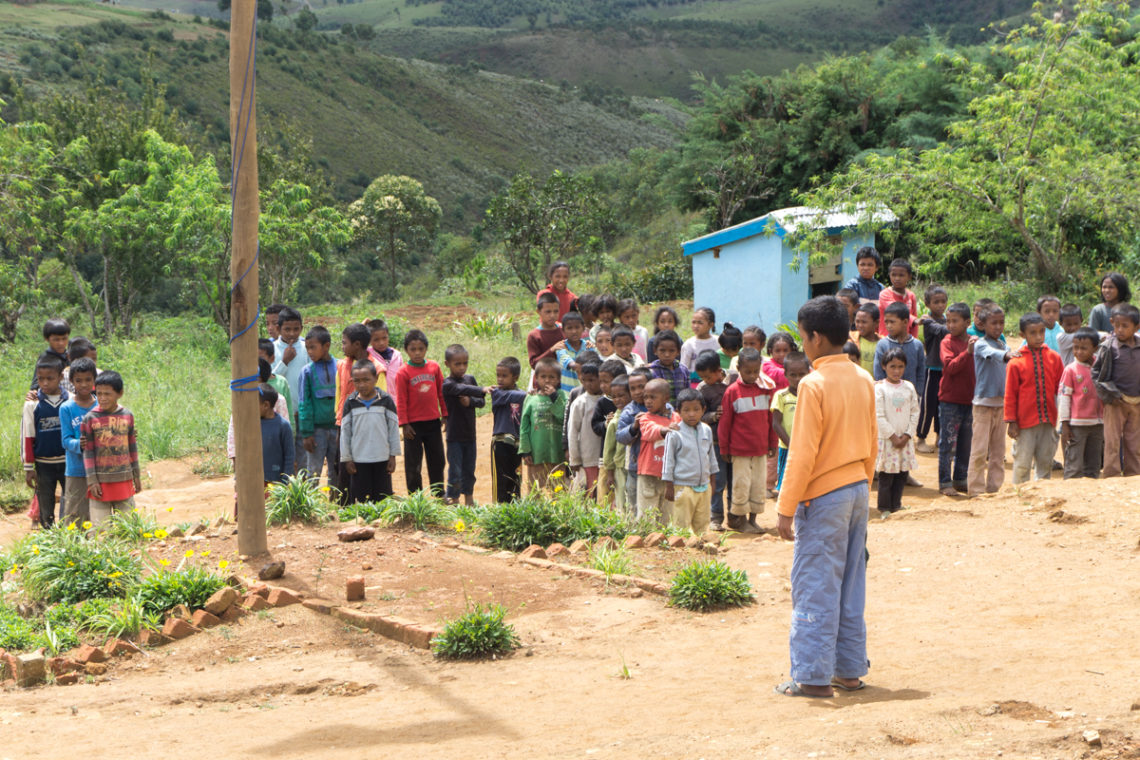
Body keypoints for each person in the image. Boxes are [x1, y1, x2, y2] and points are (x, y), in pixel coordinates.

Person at [774, 296, 875, 700]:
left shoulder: (813, 384)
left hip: (824, 496)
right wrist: (863, 486)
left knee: (815, 583)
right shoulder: (864, 378)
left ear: (815, 338)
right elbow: (872, 441)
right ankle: (848, 672)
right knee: (851, 582)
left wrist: (784, 507)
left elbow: (801, 454)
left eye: (802, 338)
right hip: (856, 491)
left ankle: (813, 677)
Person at [719, 346, 777, 534]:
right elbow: (725, 422)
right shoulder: (732, 392)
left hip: (760, 448)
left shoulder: (765, 389)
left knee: (758, 485)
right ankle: (741, 521)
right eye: (747, 371)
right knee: (741, 485)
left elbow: (771, 419)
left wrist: (772, 443)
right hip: (740, 450)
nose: (752, 375)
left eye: (755, 371)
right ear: (739, 369)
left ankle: (754, 520)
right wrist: (725, 448)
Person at [1004, 312, 1064, 484]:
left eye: (1041, 332)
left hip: (1049, 420)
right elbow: (1010, 394)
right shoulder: (1016, 362)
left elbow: (1061, 388)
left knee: (1045, 462)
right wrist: (1011, 421)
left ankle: (1041, 498)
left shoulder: (1054, 358)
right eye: (1033, 333)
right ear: (1023, 335)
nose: (1039, 337)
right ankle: (1019, 496)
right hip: (1025, 423)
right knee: (1022, 463)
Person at [81, 370, 142, 527]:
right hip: (100, 483)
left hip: (124, 479)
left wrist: (136, 474)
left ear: (119, 393)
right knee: (101, 529)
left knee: (128, 527)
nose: (102, 398)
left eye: (107, 394)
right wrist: (92, 480)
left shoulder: (127, 416)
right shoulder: (90, 419)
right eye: (99, 393)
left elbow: (132, 448)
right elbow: (87, 452)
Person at [396, 329, 447, 496]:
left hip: (433, 422)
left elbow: (441, 392)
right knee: (413, 464)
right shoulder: (403, 372)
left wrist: (445, 415)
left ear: (426, 349)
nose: (417, 353)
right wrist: (404, 424)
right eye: (413, 349)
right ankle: (416, 497)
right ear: (406, 350)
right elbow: (401, 400)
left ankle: (438, 494)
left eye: (421, 349)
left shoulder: (434, 367)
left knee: (437, 460)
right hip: (413, 426)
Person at [340, 361, 400, 503]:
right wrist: (347, 459)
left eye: (366, 380)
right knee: (362, 498)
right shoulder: (350, 402)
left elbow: (393, 429)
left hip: (382, 458)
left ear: (375, 378)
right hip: (359, 459)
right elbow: (345, 433)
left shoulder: (386, 400)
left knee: (383, 498)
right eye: (357, 381)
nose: (362, 384)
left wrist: (393, 456)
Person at [662, 388, 718, 535]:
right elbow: (668, 460)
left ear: (703, 410)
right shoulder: (674, 433)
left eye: (696, 409)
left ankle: (701, 552)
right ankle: (683, 553)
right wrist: (669, 485)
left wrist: (712, 481)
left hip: (704, 486)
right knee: (681, 524)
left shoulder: (706, 430)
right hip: (682, 487)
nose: (692, 414)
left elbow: (711, 456)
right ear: (678, 411)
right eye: (686, 410)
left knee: (703, 522)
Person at [1092, 303, 1140, 477]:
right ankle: (1111, 475)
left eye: (1125, 326)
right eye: (1117, 325)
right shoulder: (1108, 347)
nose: (1120, 330)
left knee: (1134, 442)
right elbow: (1096, 372)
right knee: (1112, 441)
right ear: (1112, 322)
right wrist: (1109, 393)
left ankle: (1133, 475)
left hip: (1136, 403)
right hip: (1115, 402)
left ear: (1137, 327)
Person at [968, 303, 1011, 496]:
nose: (998, 327)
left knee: (998, 452)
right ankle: (976, 490)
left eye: (1001, 323)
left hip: (1001, 406)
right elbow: (992, 355)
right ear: (984, 324)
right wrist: (1007, 355)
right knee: (979, 451)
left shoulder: (1004, 344)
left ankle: (994, 488)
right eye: (994, 323)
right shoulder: (980, 344)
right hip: (983, 406)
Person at [22, 355, 69, 528]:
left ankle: (68, 540)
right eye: (41, 379)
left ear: (60, 377)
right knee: (45, 505)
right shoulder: (32, 404)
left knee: (70, 502)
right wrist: (28, 467)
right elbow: (28, 435)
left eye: (50, 378)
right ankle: (49, 539)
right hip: (43, 464)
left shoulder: (70, 400)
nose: (45, 383)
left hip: (68, 461)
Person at [875, 348, 920, 516]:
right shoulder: (880, 389)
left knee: (902, 473)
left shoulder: (908, 387)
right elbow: (879, 415)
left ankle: (896, 504)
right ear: (884, 366)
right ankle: (884, 507)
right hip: (888, 440)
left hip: (905, 440)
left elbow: (915, 412)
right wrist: (893, 437)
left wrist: (907, 435)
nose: (896, 371)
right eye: (892, 366)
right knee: (886, 475)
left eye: (900, 367)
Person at [937, 302, 975, 496]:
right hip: (950, 400)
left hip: (970, 400)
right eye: (948, 321)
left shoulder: (975, 342)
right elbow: (950, 367)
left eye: (955, 321)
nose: (950, 325)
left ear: (967, 322)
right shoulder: (947, 342)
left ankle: (961, 478)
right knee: (947, 443)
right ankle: (944, 482)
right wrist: (967, 353)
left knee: (965, 443)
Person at [441, 344, 485, 505]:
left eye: (465, 363)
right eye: (457, 364)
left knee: (469, 469)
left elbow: (481, 401)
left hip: (470, 434)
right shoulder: (447, 383)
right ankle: (453, 498)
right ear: (447, 364)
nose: (462, 367)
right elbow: (460, 388)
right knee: (455, 470)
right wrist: (481, 389)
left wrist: (470, 401)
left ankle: (469, 497)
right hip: (454, 435)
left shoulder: (470, 379)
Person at [1058, 327, 1104, 479]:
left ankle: (1090, 495)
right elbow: (1064, 397)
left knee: (1094, 462)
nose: (1078, 352)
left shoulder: (1100, 366)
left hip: (1098, 423)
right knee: (1074, 463)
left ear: (1095, 348)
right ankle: (1071, 493)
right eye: (1075, 347)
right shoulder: (1070, 370)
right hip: (1077, 424)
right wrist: (1065, 423)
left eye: (1084, 348)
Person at [297, 326, 339, 484]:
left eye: (313, 347)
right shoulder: (307, 372)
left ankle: (338, 505)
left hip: (337, 429)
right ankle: (310, 506)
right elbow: (304, 404)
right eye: (307, 348)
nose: (309, 352)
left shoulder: (340, 367)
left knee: (337, 470)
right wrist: (307, 433)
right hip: (316, 431)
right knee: (313, 472)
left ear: (326, 346)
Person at [59, 357, 98, 525]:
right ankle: (75, 548)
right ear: (71, 381)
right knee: (75, 514)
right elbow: (65, 440)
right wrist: (78, 444)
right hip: (76, 469)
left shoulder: (100, 405)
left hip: (100, 468)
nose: (83, 384)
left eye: (88, 380)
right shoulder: (66, 408)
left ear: (95, 380)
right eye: (78, 380)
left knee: (98, 510)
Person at [694, 351, 731, 531]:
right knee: (718, 480)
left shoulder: (731, 381)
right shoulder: (702, 389)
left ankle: (735, 516)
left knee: (734, 481)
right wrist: (712, 416)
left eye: (708, 376)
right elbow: (698, 414)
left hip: (734, 440)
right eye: (702, 377)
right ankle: (715, 517)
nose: (706, 380)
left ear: (718, 371)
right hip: (715, 442)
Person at [636, 378, 680, 525]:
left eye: (652, 397)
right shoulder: (645, 418)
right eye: (645, 397)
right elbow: (650, 431)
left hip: (670, 476)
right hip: (649, 473)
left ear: (666, 398)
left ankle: (664, 543)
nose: (648, 401)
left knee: (667, 515)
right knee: (646, 515)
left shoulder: (677, 418)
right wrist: (666, 430)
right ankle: (644, 542)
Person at [519, 357, 567, 490]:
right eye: (543, 376)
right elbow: (524, 427)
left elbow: (564, 418)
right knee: (535, 490)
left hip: (557, 453)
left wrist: (554, 397)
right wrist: (525, 450)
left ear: (558, 380)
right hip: (536, 454)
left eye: (552, 377)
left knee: (559, 491)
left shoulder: (562, 396)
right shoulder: (531, 398)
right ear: (536, 378)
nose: (547, 380)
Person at [487, 357, 528, 503]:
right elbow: (514, 396)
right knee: (501, 480)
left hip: (517, 443)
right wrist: (530, 394)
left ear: (515, 377)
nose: (500, 379)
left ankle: (514, 509)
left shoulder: (523, 396)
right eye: (498, 375)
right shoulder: (497, 393)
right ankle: (500, 509)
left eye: (504, 376)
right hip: (500, 442)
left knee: (515, 478)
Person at [273, 306, 310, 468]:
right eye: (287, 329)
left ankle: (301, 492)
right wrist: (284, 362)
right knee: (284, 456)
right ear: (278, 329)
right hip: (281, 414)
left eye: (296, 329)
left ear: (302, 328)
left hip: (302, 412)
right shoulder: (273, 349)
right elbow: (271, 380)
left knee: (303, 458)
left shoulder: (306, 348)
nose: (292, 334)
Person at [916, 285, 949, 454]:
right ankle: (921, 437)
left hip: (946, 369)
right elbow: (942, 330)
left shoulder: (946, 319)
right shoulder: (929, 322)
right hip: (932, 368)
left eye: (943, 302)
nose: (940, 305)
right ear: (927, 304)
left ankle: (939, 436)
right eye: (936, 302)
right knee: (928, 405)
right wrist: (954, 324)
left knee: (942, 406)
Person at [772, 352, 810, 494]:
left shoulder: (811, 394)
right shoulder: (781, 396)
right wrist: (791, 445)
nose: (798, 379)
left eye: (802, 374)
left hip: (807, 448)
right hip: (788, 448)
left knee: (806, 483)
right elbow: (776, 423)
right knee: (786, 483)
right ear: (785, 374)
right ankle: (784, 512)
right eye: (793, 375)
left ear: (809, 373)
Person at [617, 368, 654, 510]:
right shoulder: (629, 411)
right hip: (635, 466)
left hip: (657, 467)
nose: (638, 392)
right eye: (633, 389)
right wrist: (633, 427)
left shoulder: (663, 408)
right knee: (634, 503)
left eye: (641, 387)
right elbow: (620, 437)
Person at [567, 362, 604, 496]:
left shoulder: (606, 400)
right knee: (589, 491)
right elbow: (572, 431)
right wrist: (574, 459)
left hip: (603, 456)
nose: (588, 384)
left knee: (604, 492)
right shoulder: (580, 402)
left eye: (592, 380)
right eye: (584, 380)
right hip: (587, 456)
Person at [873, 302, 926, 389]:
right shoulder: (882, 344)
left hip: (910, 395)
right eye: (886, 322)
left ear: (905, 322)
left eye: (892, 322)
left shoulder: (917, 345)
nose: (888, 326)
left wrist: (918, 393)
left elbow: (921, 373)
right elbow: (878, 372)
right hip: (888, 395)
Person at [600, 375, 632, 510]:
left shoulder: (635, 416)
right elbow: (608, 450)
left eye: (622, 395)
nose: (617, 400)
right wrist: (610, 473)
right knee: (622, 499)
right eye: (614, 396)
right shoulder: (614, 422)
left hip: (634, 465)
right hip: (619, 466)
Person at [257, 384, 295, 488]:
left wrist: (285, 481)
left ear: (266, 405)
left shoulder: (283, 426)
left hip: (276, 482)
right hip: (255, 481)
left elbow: (289, 456)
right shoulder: (253, 425)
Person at [366, 319, 403, 410]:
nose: (381, 342)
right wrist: (363, 325)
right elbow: (354, 338)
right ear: (369, 340)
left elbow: (401, 380)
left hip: (395, 402)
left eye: (384, 338)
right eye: (376, 340)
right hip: (375, 403)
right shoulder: (367, 354)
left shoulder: (397, 356)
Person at [260, 338, 294, 435]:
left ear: (272, 359)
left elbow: (288, 412)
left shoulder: (281, 383)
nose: (258, 363)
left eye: (261, 358)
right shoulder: (248, 386)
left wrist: (291, 433)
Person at [877, 258, 918, 337]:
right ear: (889, 275)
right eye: (894, 275)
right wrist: (915, 320)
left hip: (905, 340)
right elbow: (896, 311)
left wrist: (914, 340)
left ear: (909, 277)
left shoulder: (911, 296)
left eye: (901, 275)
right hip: (887, 339)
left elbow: (914, 325)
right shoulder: (884, 294)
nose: (897, 278)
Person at [647, 329, 688, 405]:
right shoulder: (651, 371)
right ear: (655, 351)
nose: (667, 355)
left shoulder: (684, 370)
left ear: (678, 351)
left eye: (671, 351)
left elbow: (687, 394)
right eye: (662, 350)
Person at [556, 311, 594, 392]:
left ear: (583, 328)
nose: (574, 331)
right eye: (569, 328)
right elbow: (571, 365)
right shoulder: (561, 348)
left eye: (577, 327)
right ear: (563, 330)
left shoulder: (588, 347)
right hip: (567, 394)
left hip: (586, 392)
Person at [681, 307, 719, 386]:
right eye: (693, 322)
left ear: (711, 325)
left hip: (715, 383)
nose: (696, 326)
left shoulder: (718, 342)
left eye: (700, 323)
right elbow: (684, 368)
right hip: (695, 384)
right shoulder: (689, 344)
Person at [30, 318, 70, 391]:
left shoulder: (70, 356)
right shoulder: (45, 358)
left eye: (64, 338)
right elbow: (35, 384)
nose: (61, 343)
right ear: (47, 339)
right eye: (56, 340)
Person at [527, 292, 565, 370]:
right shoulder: (534, 336)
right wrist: (551, 350)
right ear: (538, 312)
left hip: (564, 378)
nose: (552, 315)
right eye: (548, 312)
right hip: (544, 379)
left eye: (556, 311)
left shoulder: (564, 330)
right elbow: (534, 363)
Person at [851, 304, 879, 376]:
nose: (860, 325)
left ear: (876, 323)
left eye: (864, 322)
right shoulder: (851, 339)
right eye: (857, 321)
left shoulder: (883, 343)